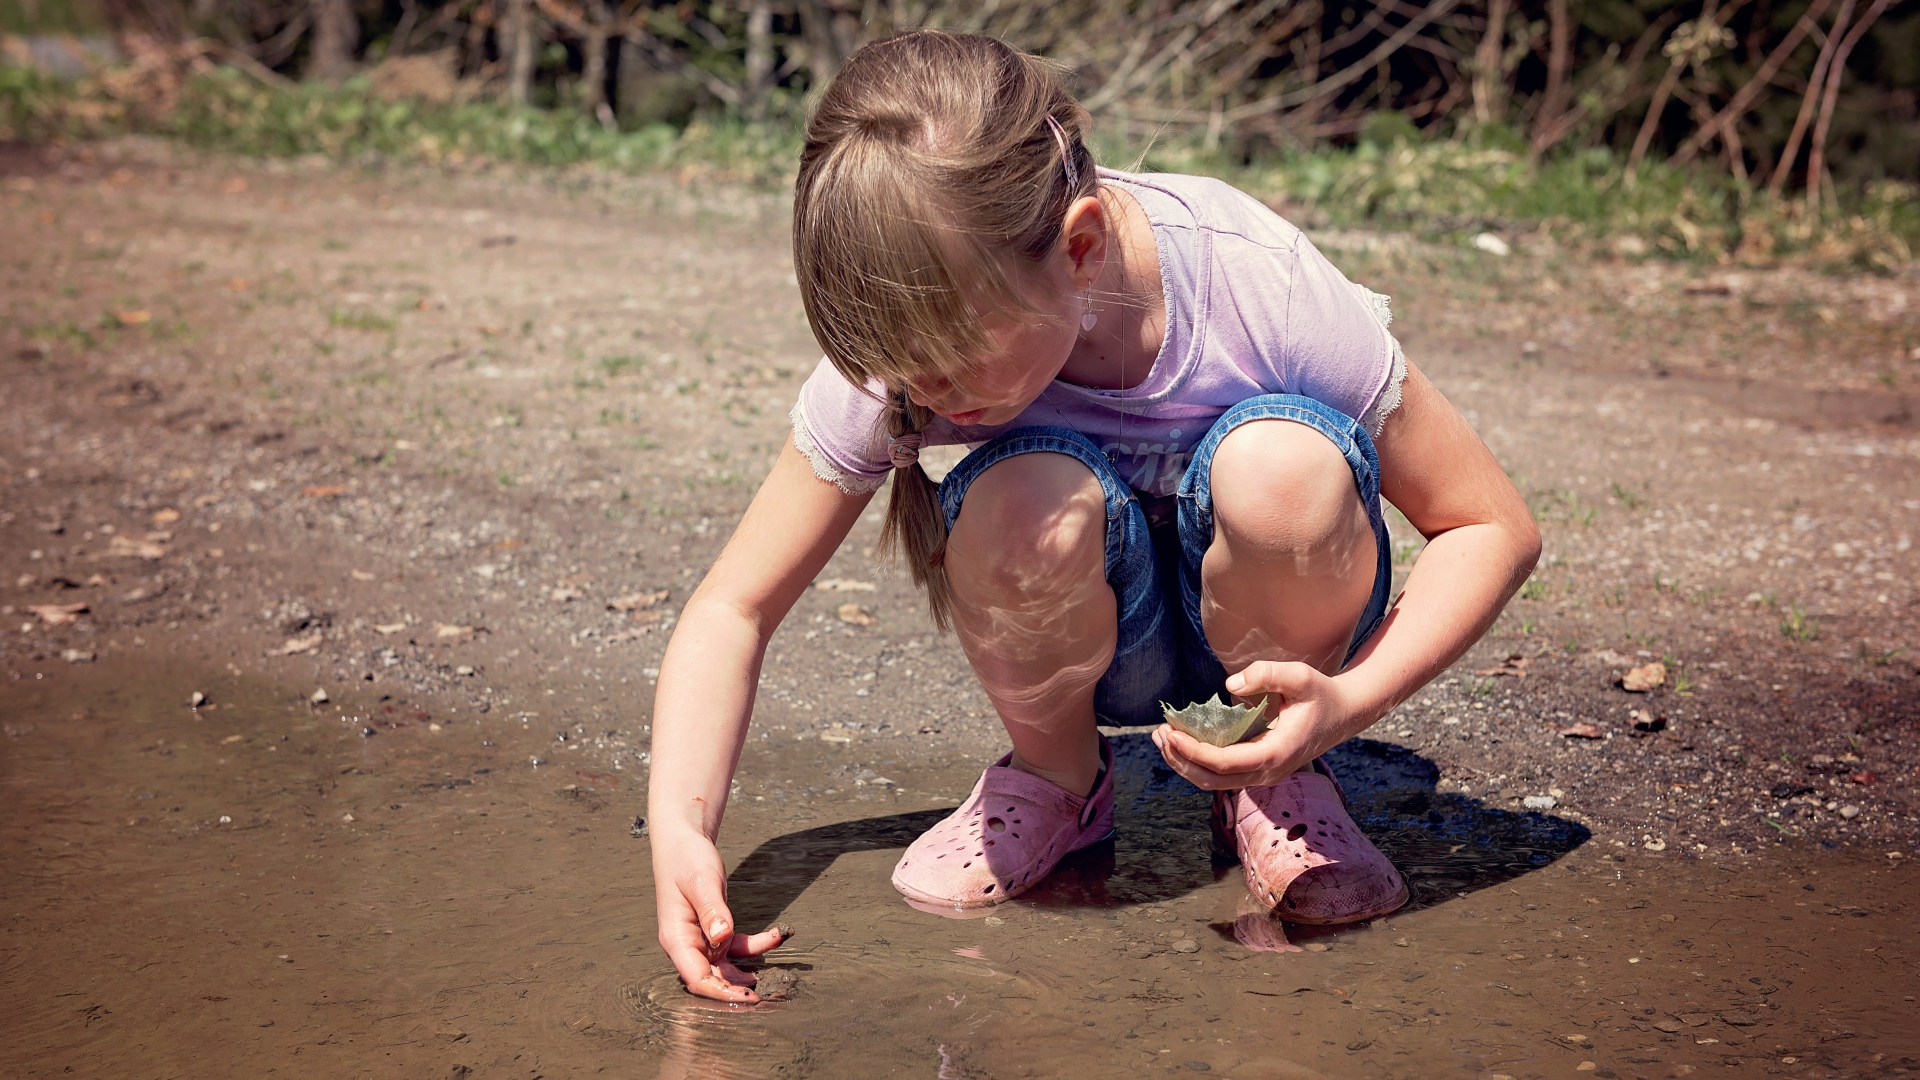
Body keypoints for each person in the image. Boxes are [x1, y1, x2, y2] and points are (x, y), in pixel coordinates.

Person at [647, 29, 1541, 1002]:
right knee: (1021, 503)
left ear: (1077, 249)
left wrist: (1345, 709)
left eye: (949, 364)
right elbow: (734, 606)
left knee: (1279, 469)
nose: (922, 389)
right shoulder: (909, 340)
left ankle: (1274, 777)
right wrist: (684, 834)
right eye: (902, 371)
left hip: (1286, 643)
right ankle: (1059, 782)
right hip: (1095, 651)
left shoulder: (1253, 281)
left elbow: (1488, 525)